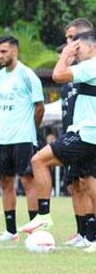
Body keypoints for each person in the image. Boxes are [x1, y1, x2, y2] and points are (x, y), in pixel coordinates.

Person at [33, 30, 96, 247]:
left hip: (86, 132)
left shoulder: (91, 65)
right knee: (89, 182)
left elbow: (58, 75)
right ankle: (92, 236)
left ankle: (43, 214)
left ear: (91, 47)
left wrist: (65, 55)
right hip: (90, 133)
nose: (75, 51)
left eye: (79, 47)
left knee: (38, 160)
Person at [0, 35, 45, 241]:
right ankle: (11, 231)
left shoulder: (27, 75)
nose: (0, 56)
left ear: (15, 51)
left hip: (23, 137)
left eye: (4, 51)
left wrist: (30, 130)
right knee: (5, 182)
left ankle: (34, 231)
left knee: (28, 181)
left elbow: (39, 107)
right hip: (3, 138)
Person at [59, 19, 96, 247]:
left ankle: (91, 233)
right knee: (76, 184)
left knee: (89, 182)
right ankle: (84, 232)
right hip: (73, 130)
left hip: (89, 133)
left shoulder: (89, 67)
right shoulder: (76, 65)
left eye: (73, 38)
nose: (69, 43)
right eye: (67, 39)